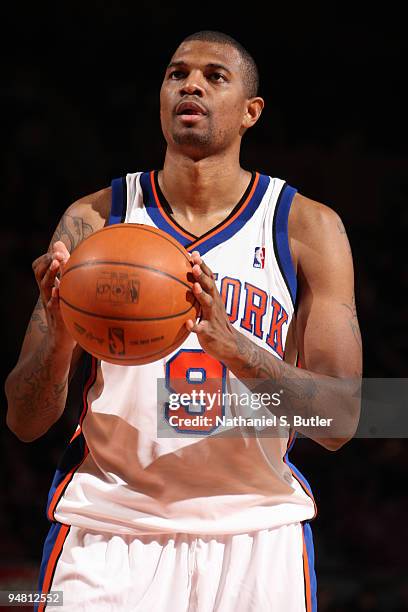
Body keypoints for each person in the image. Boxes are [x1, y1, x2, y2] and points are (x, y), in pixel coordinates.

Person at [5, 30, 362, 612]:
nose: (191, 84)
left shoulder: (309, 228)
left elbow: (342, 419)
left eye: (214, 76)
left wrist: (234, 346)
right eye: (177, 75)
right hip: (111, 530)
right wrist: (61, 335)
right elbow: (24, 418)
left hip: (258, 531)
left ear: (252, 112)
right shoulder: (93, 221)